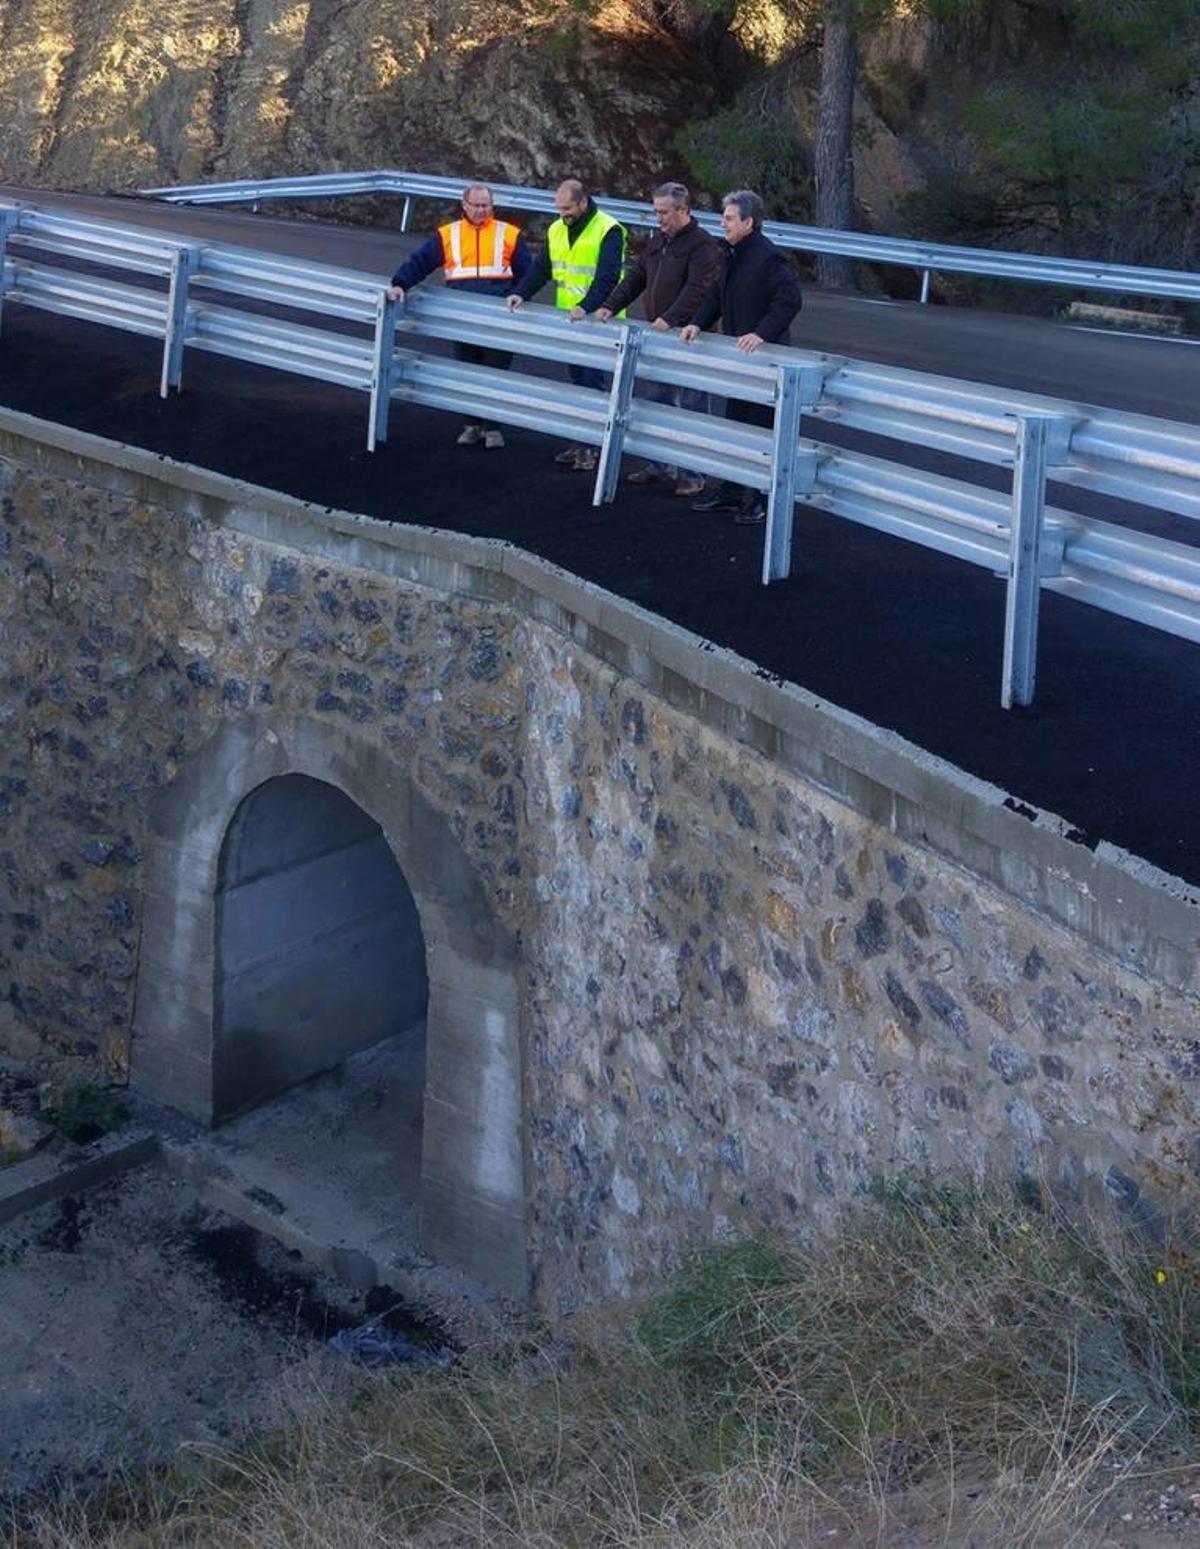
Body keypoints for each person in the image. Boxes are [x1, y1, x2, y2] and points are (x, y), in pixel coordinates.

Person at [680, 189, 802, 523]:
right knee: (735, 424)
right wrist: (696, 323)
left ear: (749, 222)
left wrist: (761, 333)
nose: (723, 224)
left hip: (764, 359)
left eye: (730, 219)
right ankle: (732, 491)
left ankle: (760, 498)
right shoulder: (730, 254)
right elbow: (716, 296)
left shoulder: (769, 258)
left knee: (761, 430)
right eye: (724, 218)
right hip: (738, 358)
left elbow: (789, 301)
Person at [595, 181, 719, 498]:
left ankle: (693, 472)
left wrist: (671, 319)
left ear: (683, 210)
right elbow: (636, 277)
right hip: (659, 333)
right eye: (656, 212)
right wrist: (610, 305)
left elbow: (698, 289)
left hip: (689, 337)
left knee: (691, 406)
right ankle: (658, 463)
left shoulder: (703, 245)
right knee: (654, 400)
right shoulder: (658, 242)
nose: (658, 218)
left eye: (663, 212)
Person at [388, 183, 532, 450]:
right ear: (464, 205)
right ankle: (471, 426)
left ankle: (493, 428)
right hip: (460, 317)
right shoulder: (449, 234)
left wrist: (518, 295)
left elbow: (528, 274)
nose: (481, 210)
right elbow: (420, 261)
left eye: (486, 205)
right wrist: (400, 284)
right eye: (476, 205)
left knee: (495, 373)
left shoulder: (508, 233)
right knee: (465, 371)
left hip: (498, 318)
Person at [506, 179, 627, 472]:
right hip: (571, 320)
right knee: (578, 382)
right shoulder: (556, 229)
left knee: (593, 384)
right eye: (559, 209)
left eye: (568, 208)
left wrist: (587, 306)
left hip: (599, 320)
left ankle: (592, 446)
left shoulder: (608, 229)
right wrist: (522, 292)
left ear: (583, 202)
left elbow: (608, 277)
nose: (563, 214)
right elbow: (541, 269)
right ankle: (581, 440)